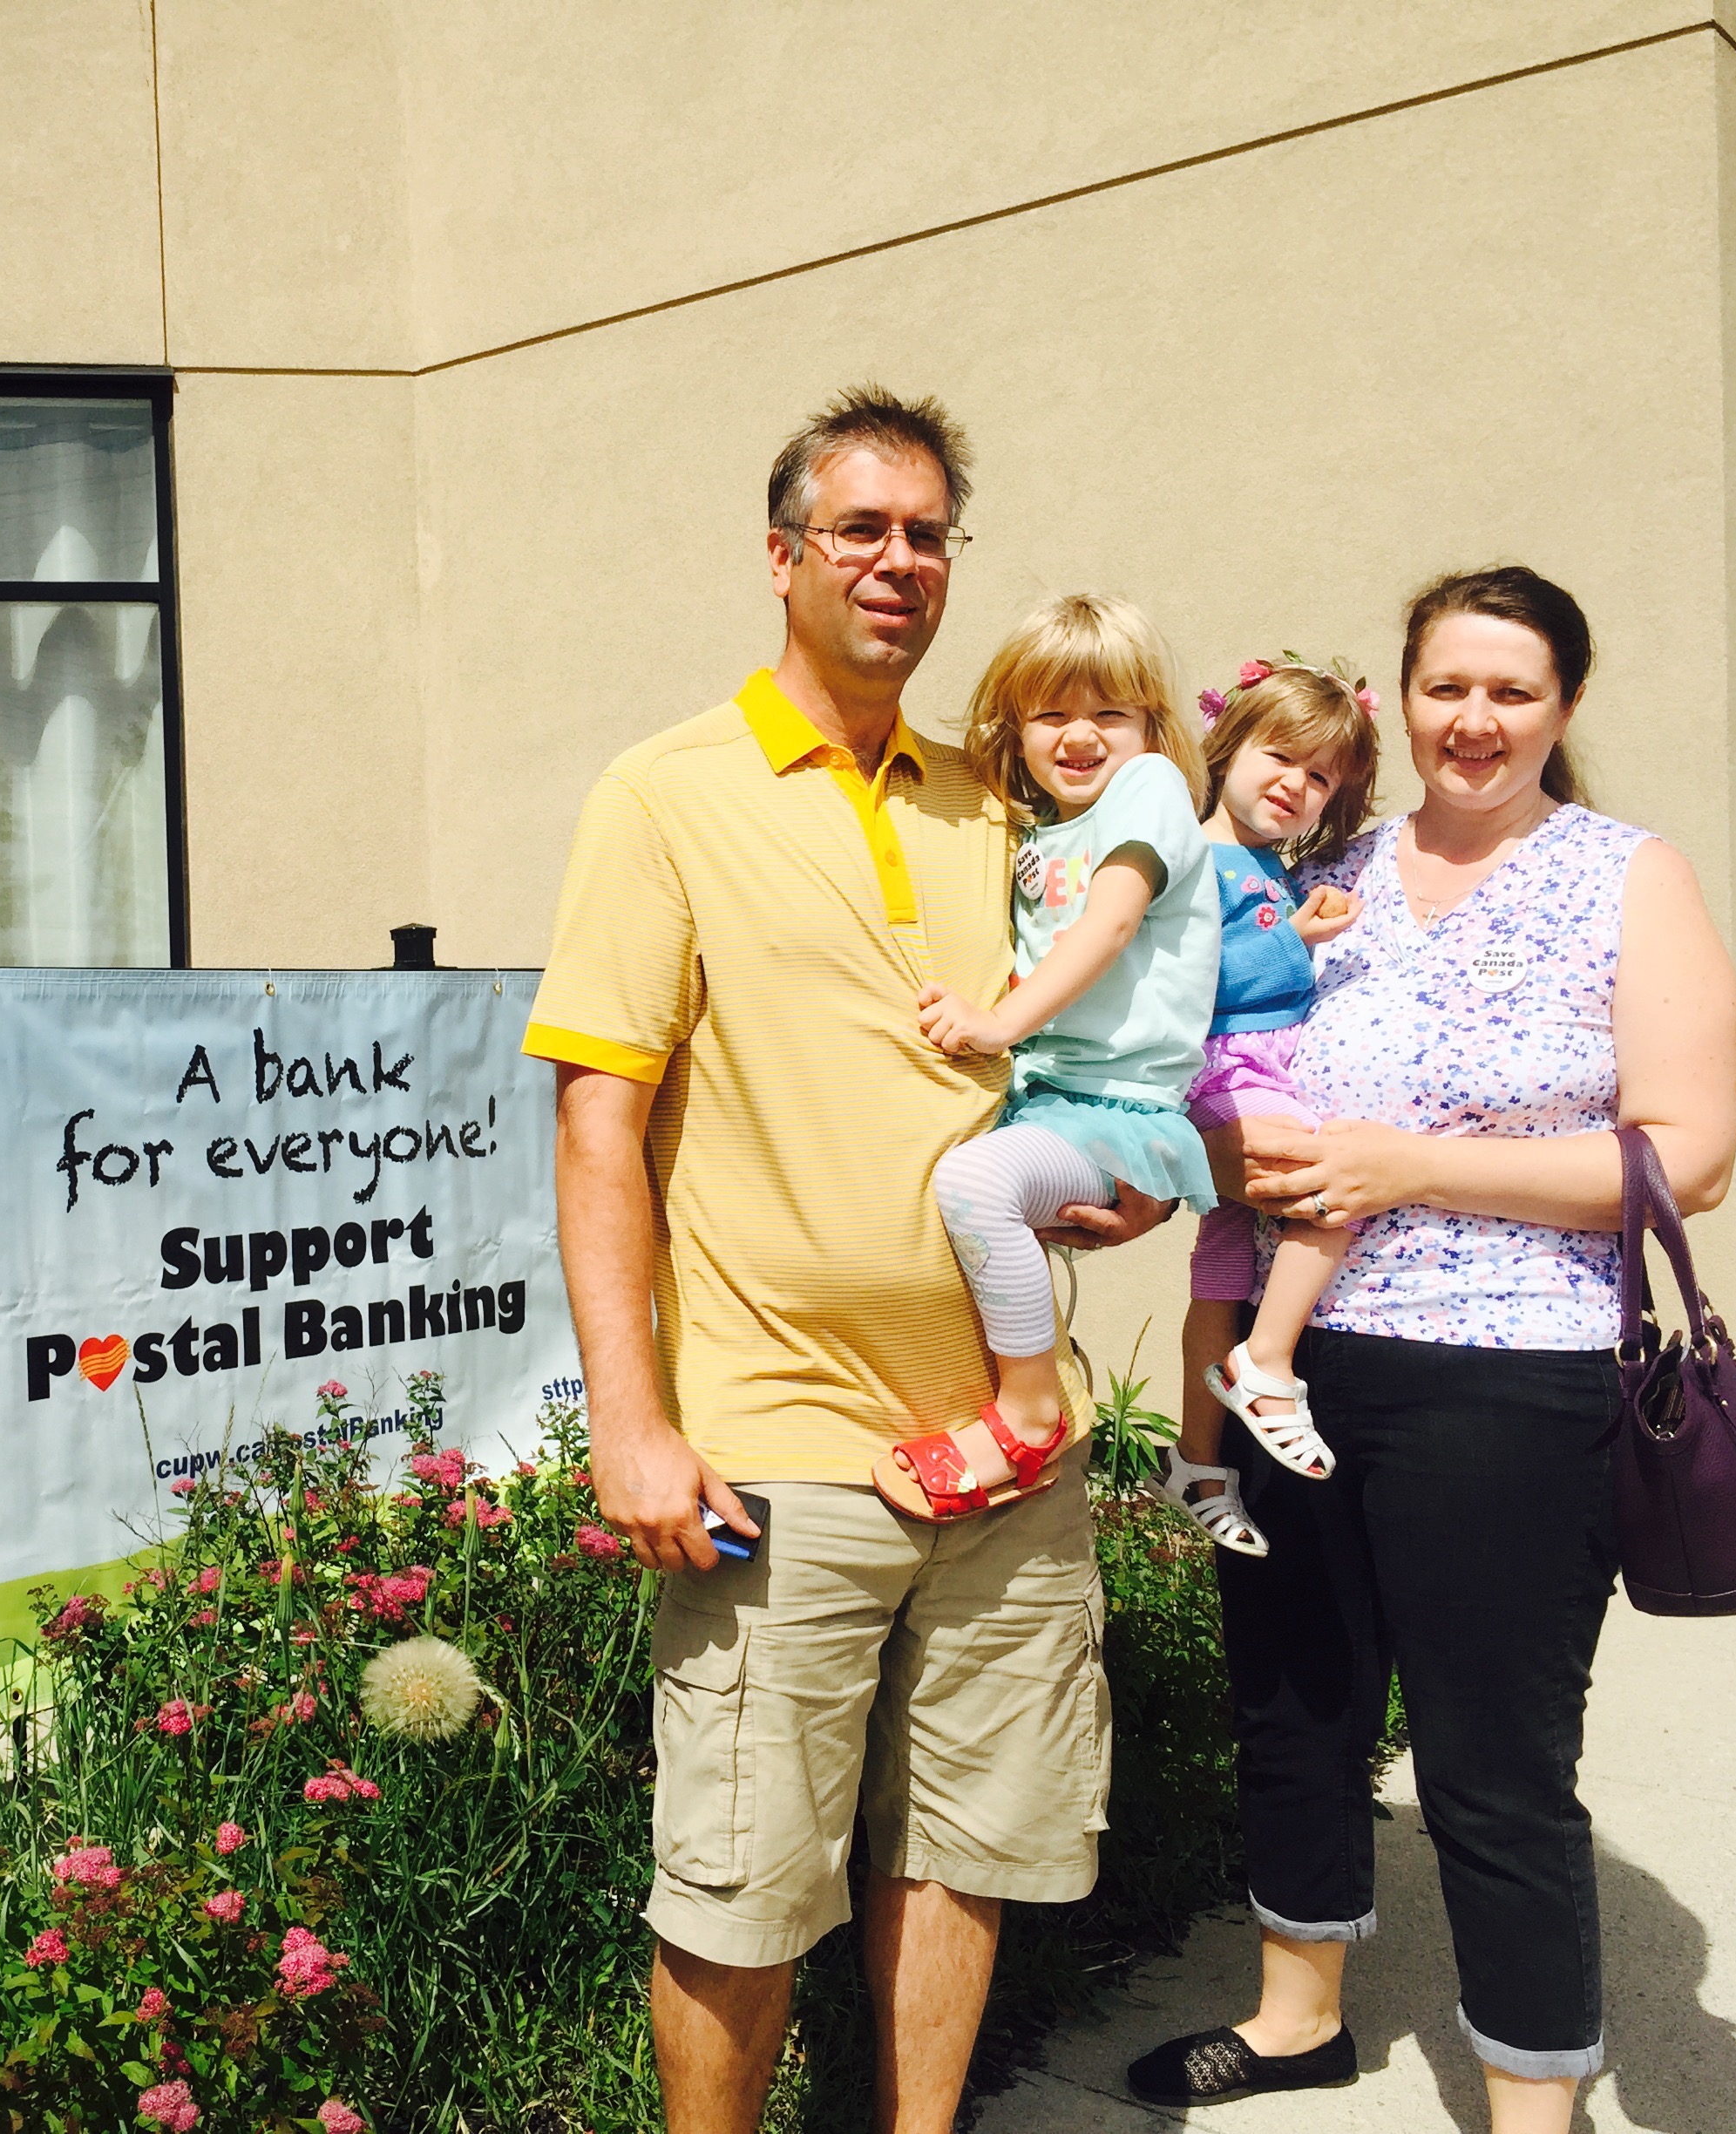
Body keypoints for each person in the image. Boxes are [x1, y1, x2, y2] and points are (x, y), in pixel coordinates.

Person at [528, 385, 1171, 2134]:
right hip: (775, 1448)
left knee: (965, 1849)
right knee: (740, 1887)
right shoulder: (667, 795)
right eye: (861, 530)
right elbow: (601, 1127)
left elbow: (1087, 1055)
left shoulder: (999, 808)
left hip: (998, 1449)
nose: (898, 562)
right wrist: (631, 1421)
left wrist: (1125, 1181)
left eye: (929, 533)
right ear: (784, 557)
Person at [1126, 567, 1736, 2132]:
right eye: (1443, 686)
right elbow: (1210, 1057)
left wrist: (1411, 1167)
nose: (1471, 720)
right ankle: (1294, 2015)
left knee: (1491, 1762)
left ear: (1562, 708)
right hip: (1293, 1355)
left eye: (1509, 691)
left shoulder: (1622, 874)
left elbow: (1689, 1152)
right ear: (1399, 697)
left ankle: (1528, 2103)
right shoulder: (1313, 865)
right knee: (1293, 1701)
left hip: (1509, 1373)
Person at [884, 595, 1221, 1522]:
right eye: (1053, 714)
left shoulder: (1147, 792)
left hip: (1113, 1107)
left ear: (1151, 726)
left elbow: (1109, 925)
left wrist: (996, 1025)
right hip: (1050, 1100)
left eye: (1110, 713)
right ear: (1016, 725)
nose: (1082, 735)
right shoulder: (1032, 828)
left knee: (974, 1187)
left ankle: (1031, 1409)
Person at [1161, 660, 1381, 1554]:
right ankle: (1267, 1364)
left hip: (1253, 1070)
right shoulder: (1194, 862)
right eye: (1279, 756)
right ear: (1227, 747)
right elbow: (1193, 978)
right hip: (1227, 1070)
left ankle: (1196, 1464)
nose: (1297, 784)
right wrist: (1295, 935)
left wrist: (1298, 911)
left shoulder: (1261, 865)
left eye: (1321, 775)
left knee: (1223, 1270)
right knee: (1332, 1188)